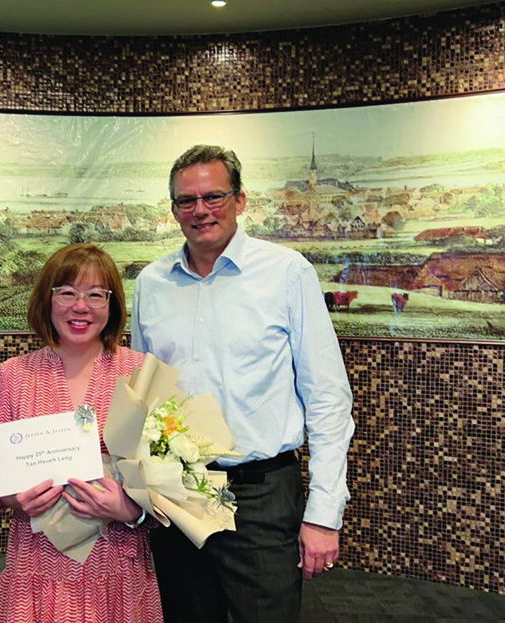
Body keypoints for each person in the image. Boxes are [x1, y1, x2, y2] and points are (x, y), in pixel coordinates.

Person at [131, 144, 355, 623]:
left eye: (213, 196)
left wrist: (323, 513)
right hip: (180, 491)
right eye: (186, 201)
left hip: (260, 494)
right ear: (173, 209)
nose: (200, 210)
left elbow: (329, 397)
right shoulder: (152, 283)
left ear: (241, 200)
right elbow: (144, 393)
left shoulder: (286, 273)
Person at [0, 244, 164, 623]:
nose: (81, 306)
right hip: (36, 569)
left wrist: (131, 509)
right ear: (47, 299)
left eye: (95, 295)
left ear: (113, 305)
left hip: (117, 569)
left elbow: (172, 479)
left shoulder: (141, 374)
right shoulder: (15, 375)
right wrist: (7, 493)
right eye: (68, 292)